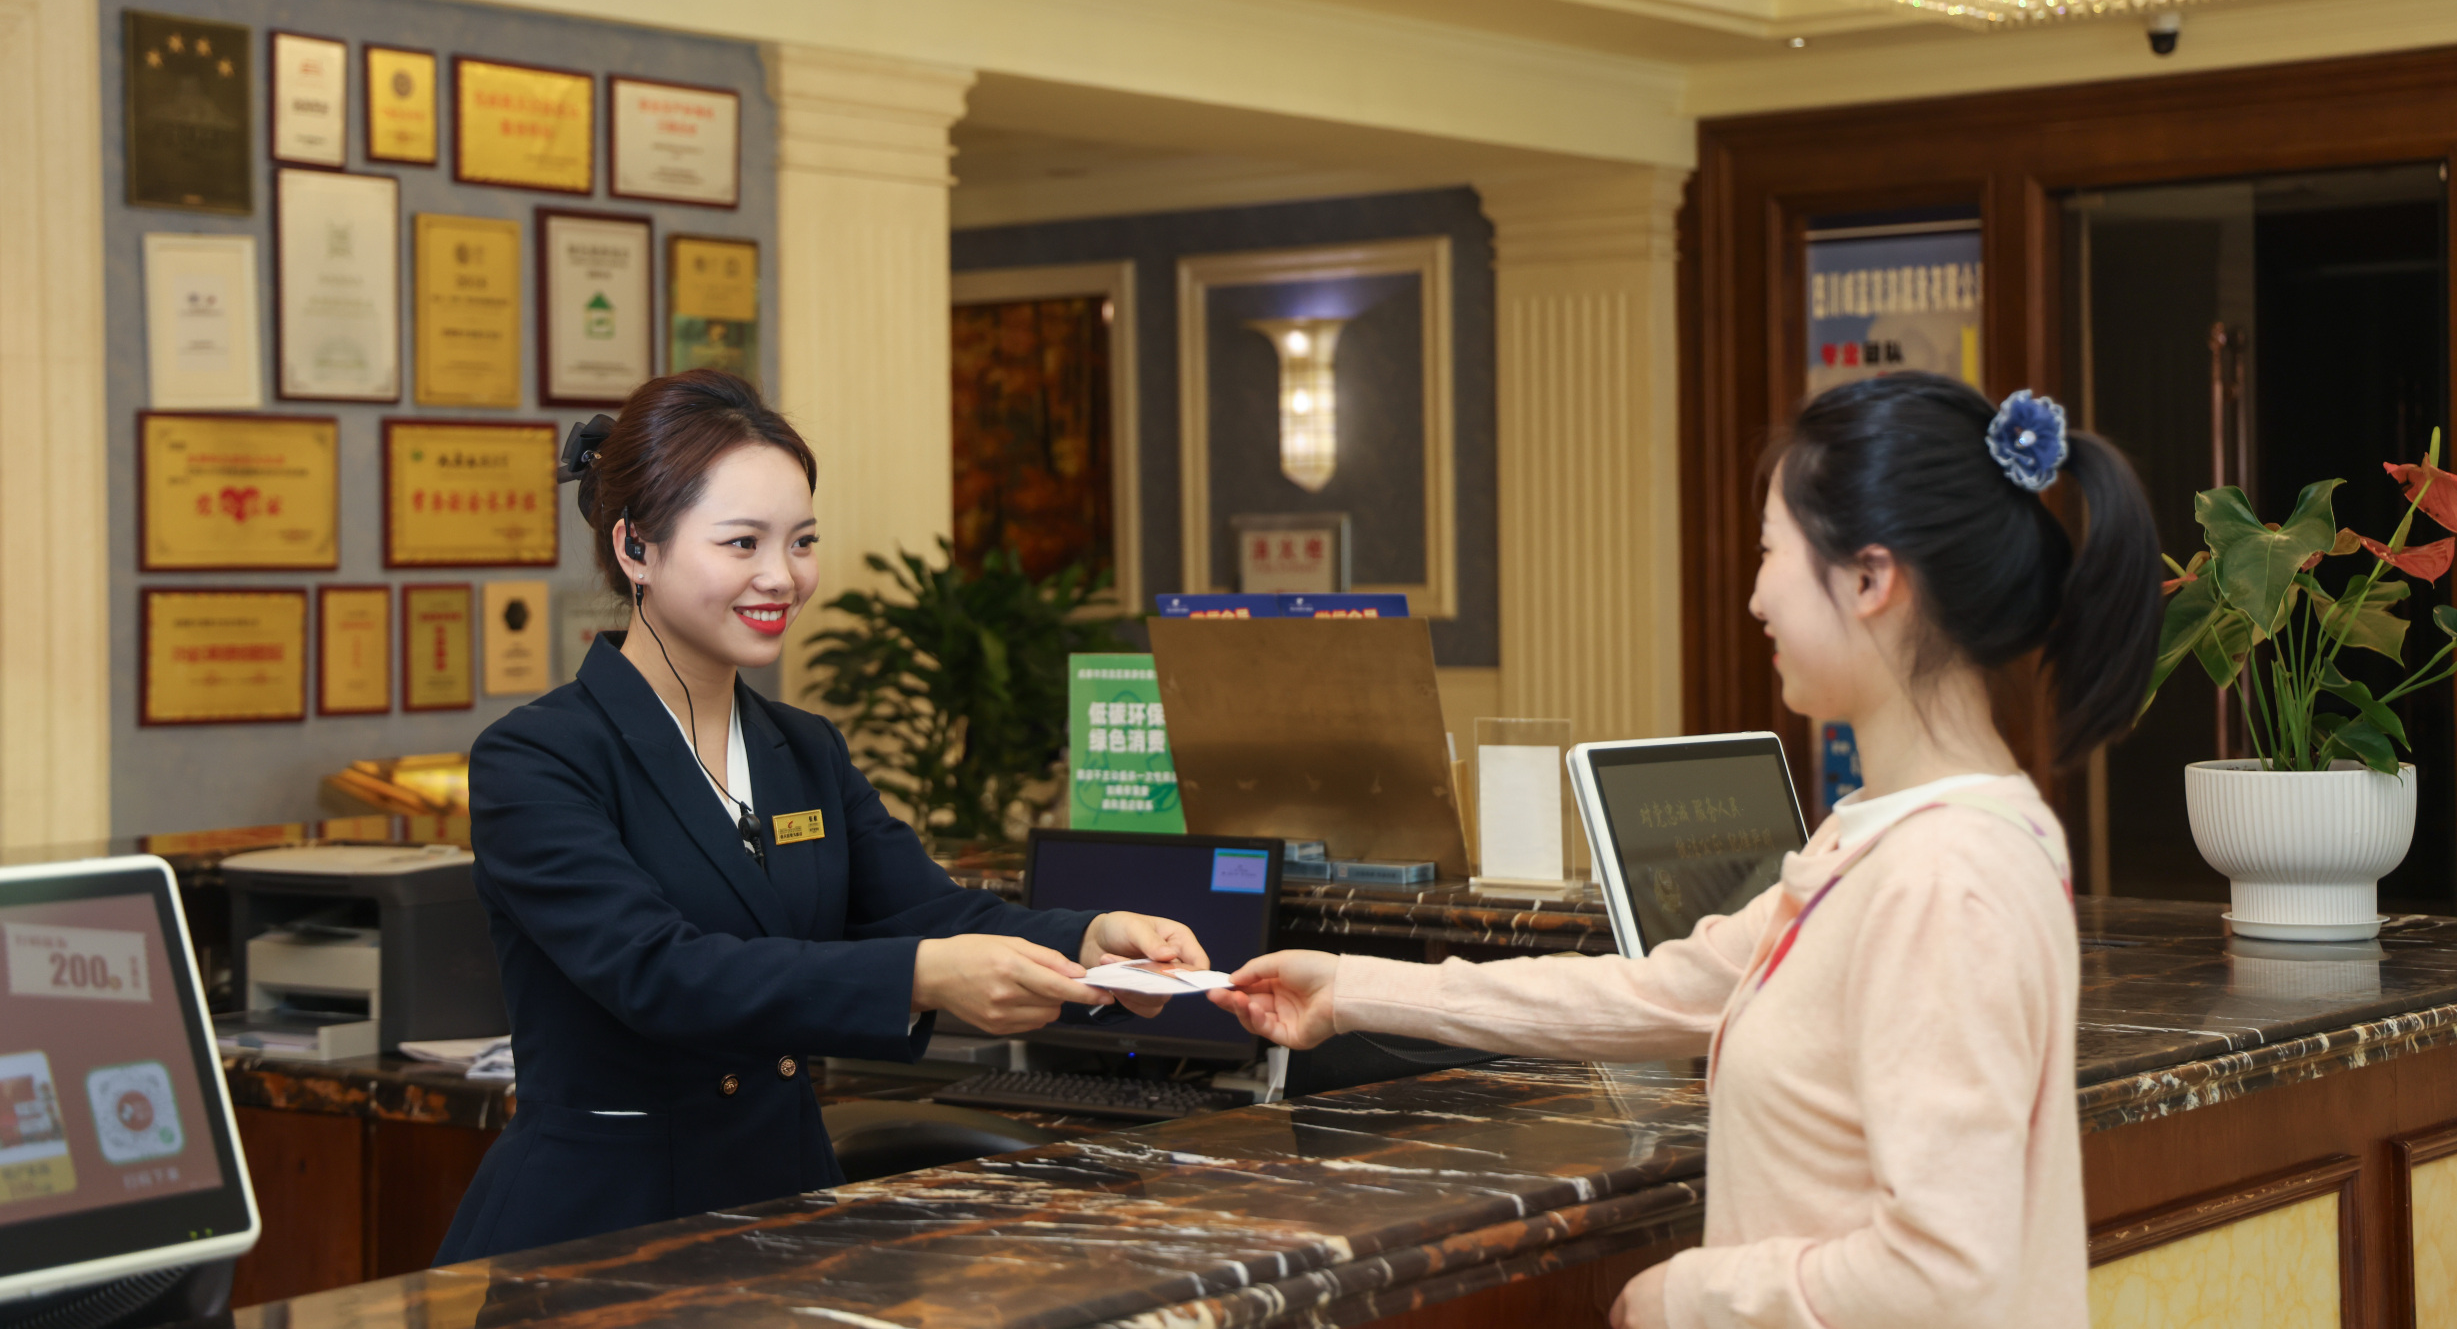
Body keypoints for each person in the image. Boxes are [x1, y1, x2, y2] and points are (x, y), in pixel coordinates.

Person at [1210, 373, 2161, 1329]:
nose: (1754, 596)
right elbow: (1662, 988)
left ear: (1869, 581)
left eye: (1770, 551)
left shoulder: (1944, 877)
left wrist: (1691, 1296)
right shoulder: (1884, 832)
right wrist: (1352, 988)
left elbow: (1945, 1275)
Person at [438, 369, 1204, 1262]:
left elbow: (932, 913)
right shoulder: (537, 757)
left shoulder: (802, 749)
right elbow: (659, 972)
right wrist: (919, 975)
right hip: (602, 1229)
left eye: (801, 541)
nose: (781, 576)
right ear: (635, 546)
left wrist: (1093, 942)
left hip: (784, 1209)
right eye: (742, 542)